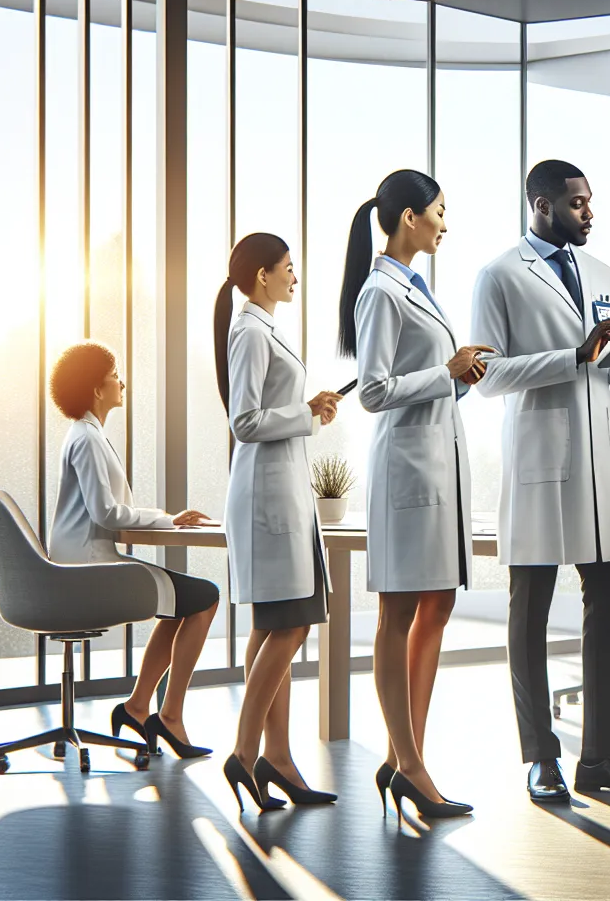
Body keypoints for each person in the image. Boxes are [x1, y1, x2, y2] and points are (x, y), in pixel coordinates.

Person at [471, 159, 610, 804]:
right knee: (529, 610)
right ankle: (540, 757)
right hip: (539, 460)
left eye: (591, 202)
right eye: (579, 204)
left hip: (598, 464)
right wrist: (573, 356)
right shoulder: (500, 275)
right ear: (542, 205)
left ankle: (601, 757)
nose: (590, 213)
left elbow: (608, 374)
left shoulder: (604, 273)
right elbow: (487, 375)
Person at [337, 169, 492, 825]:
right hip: (406, 471)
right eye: (438, 211)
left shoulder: (414, 286)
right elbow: (372, 391)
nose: (444, 224)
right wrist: (445, 370)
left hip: (435, 466)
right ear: (407, 217)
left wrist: (461, 378)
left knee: (438, 607)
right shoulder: (380, 291)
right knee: (397, 616)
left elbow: (424, 380)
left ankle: (409, 756)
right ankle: (410, 763)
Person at [215, 232, 344, 812]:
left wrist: (308, 408)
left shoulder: (262, 328)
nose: (296, 276)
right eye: (289, 267)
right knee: (289, 625)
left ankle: (279, 759)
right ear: (263, 275)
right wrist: (305, 414)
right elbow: (244, 420)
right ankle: (246, 754)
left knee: (273, 627)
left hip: (281, 491)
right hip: (267, 498)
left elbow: (268, 409)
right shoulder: (247, 331)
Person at [48, 341, 220, 760]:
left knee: (185, 602)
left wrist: (165, 519)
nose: (121, 382)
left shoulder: (87, 434)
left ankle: (139, 707)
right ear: (96, 389)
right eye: (114, 376)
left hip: (84, 563)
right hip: (90, 571)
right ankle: (169, 715)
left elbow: (106, 512)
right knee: (206, 598)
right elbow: (106, 512)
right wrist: (167, 518)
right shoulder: (87, 439)